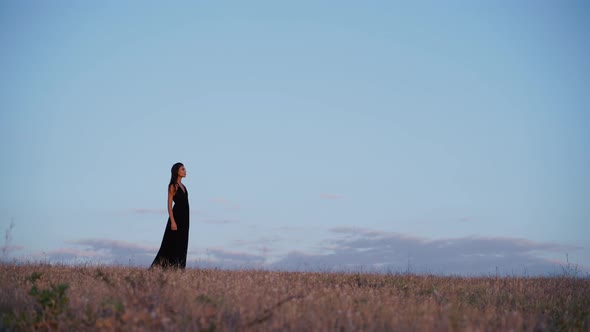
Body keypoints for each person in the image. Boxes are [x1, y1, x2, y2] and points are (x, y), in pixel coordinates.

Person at [150, 162, 190, 270]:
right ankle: (163, 267)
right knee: (171, 243)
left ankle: (179, 268)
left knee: (183, 242)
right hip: (176, 218)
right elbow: (169, 205)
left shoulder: (184, 187)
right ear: (177, 171)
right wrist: (172, 221)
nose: (185, 171)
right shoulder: (172, 186)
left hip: (185, 219)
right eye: (182, 169)